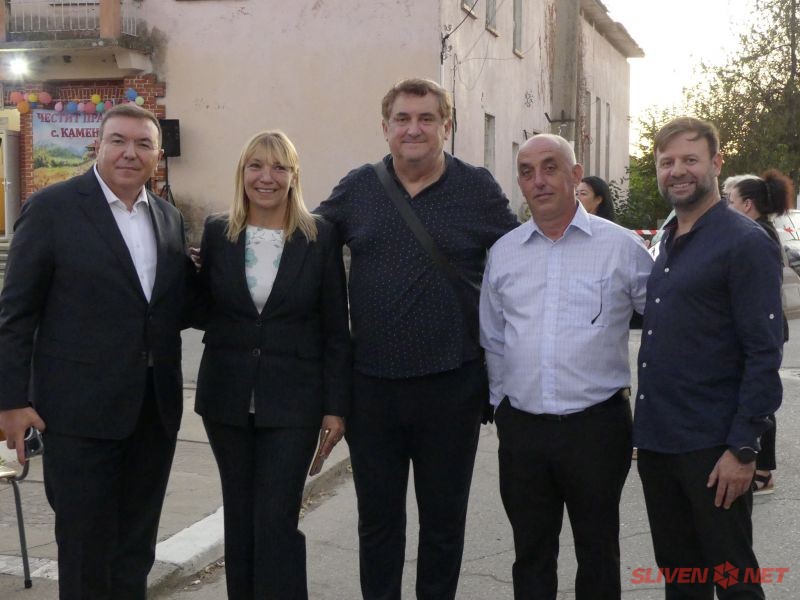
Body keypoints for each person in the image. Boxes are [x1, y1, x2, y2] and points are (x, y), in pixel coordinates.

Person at [316, 77, 518, 599]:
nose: (414, 129)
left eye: (427, 118)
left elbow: (523, 260)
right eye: (402, 119)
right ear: (385, 127)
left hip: (452, 385)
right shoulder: (358, 188)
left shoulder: (477, 189)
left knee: (444, 524)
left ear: (446, 126)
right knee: (378, 523)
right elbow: (302, 242)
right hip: (373, 390)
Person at [0, 104, 192, 599]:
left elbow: (174, 307)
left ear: (158, 156)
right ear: (98, 146)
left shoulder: (169, 218)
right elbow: (15, 314)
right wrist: (11, 401)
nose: (130, 153)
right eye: (118, 141)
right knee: (86, 551)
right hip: (78, 416)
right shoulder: (52, 209)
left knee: (135, 551)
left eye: (143, 144)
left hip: (153, 411)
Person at [480, 133, 653, 599]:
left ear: (576, 175)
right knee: (531, 554)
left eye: (550, 167)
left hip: (596, 430)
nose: (538, 180)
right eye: (526, 171)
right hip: (524, 431)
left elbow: (664, 326)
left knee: (598, 553)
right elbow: (493, 337)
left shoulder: (621, 248)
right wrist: (503, 405)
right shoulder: (505, 252)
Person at [193, 130, 351, 599]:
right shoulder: (218, 233)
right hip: (226, 399)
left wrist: (335, 407)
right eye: (256, 166)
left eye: (279, 167)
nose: (267, 177)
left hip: (294, 403)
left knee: (276, 519)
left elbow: (335, 328)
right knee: (239, 518)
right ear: (242, 174)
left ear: (293, 176)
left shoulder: (319, 236)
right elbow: (201, 308)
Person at [635, 117, 783, 598]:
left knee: (734, 582)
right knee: (682, 580)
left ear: (716, 163)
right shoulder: (669, 239)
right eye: (667, 162)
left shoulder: (744, 242)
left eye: (690, 160)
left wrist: (743, 448)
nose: (677, 171)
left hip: (714, 448)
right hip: (660, 445)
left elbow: (764, 352)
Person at [726, 170, 794, 497]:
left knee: (759, 396)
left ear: (748, 204)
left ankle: (763, 471)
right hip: (768, 326)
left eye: (730, 201)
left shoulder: (758, 235)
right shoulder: (757, 231)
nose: (726, 207)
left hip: (765, 329)